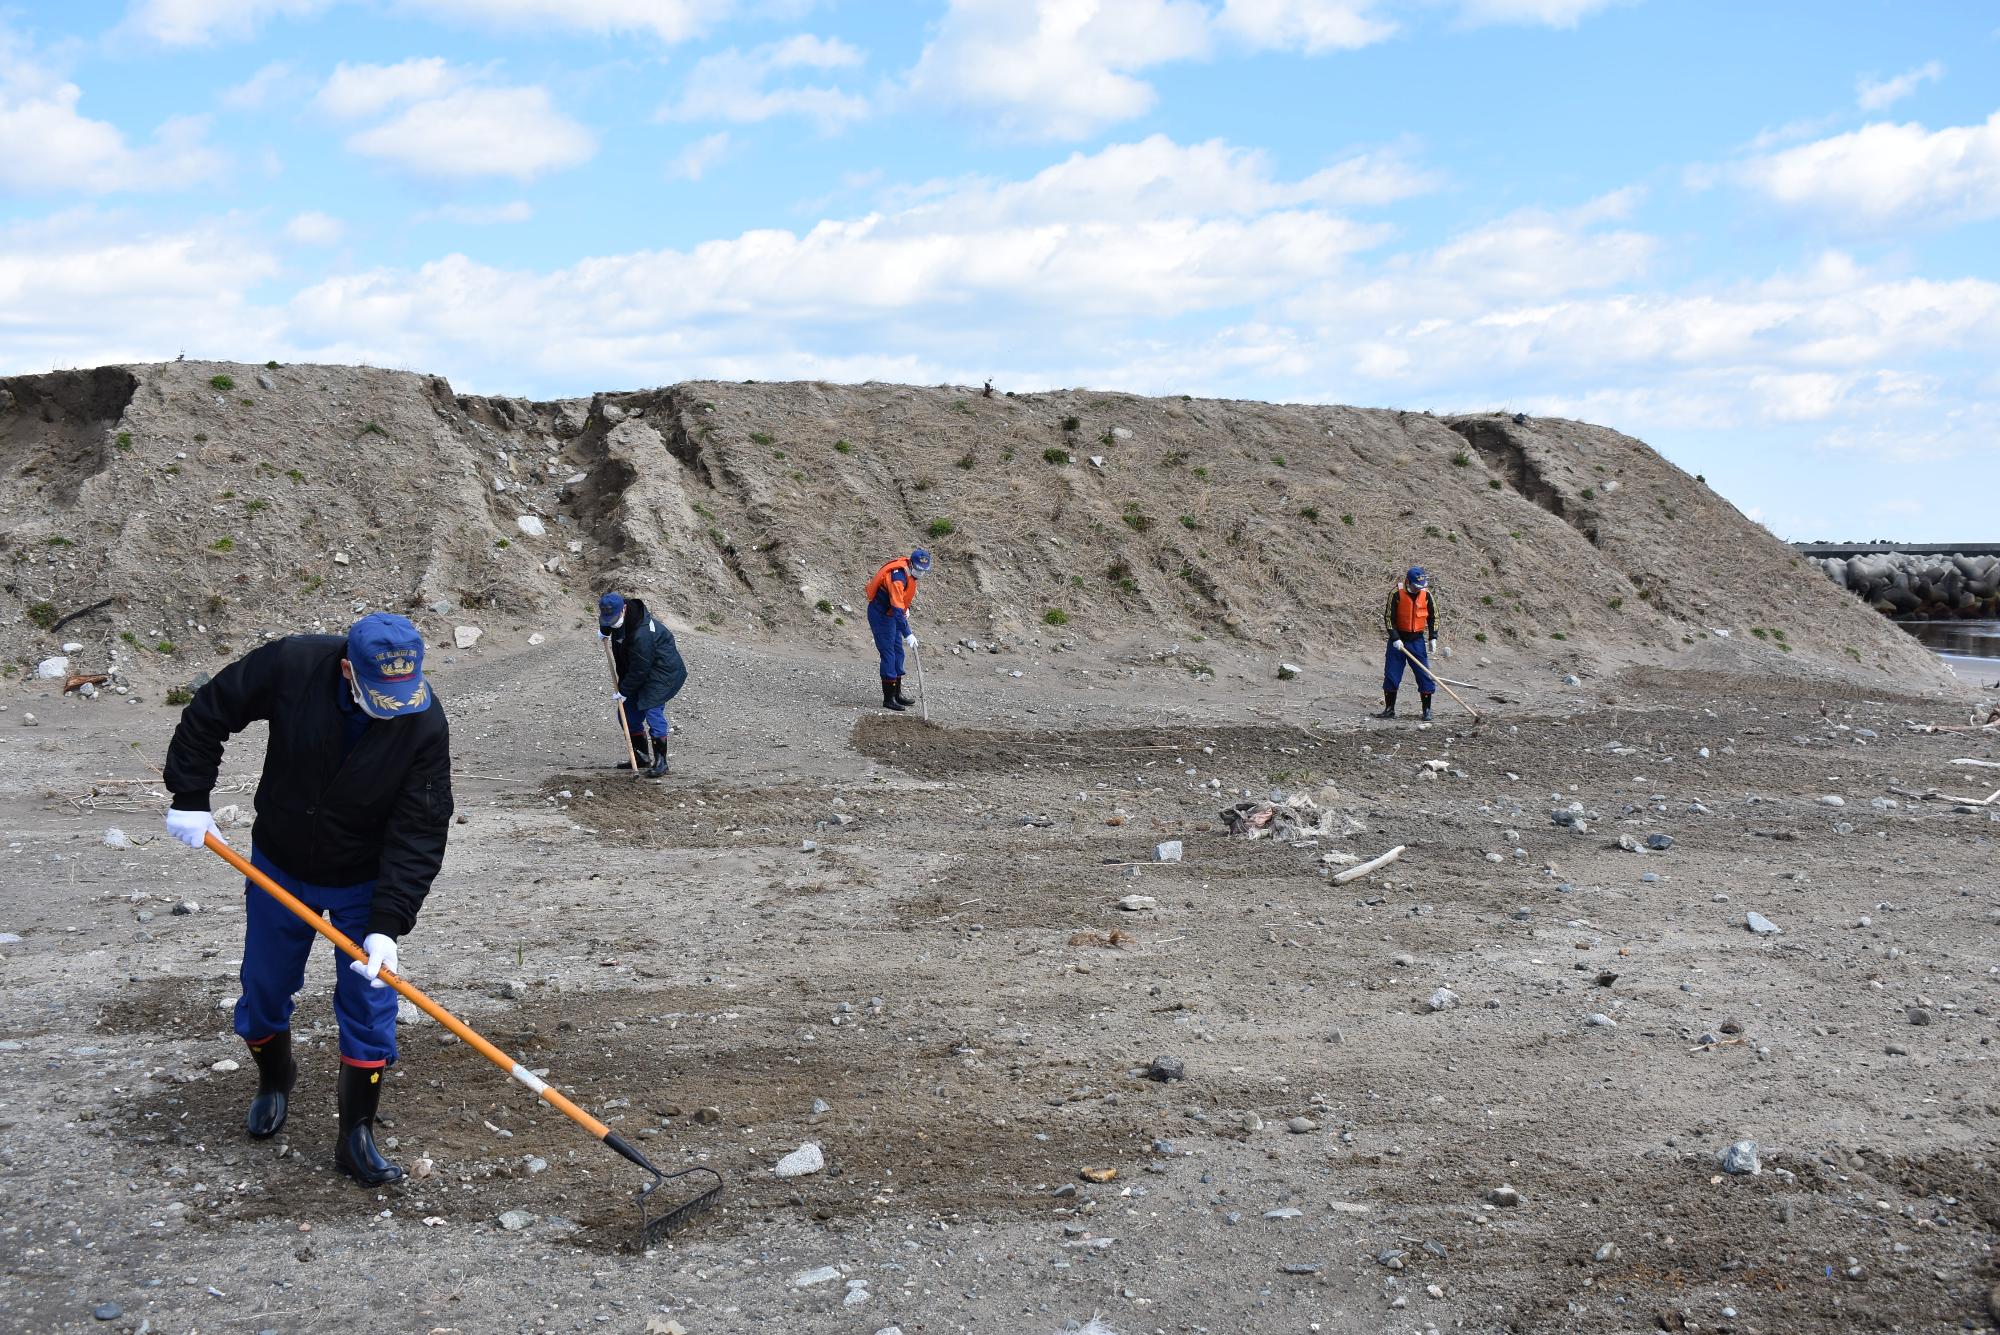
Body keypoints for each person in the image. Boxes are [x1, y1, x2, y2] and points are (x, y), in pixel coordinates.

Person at [161, 612, 452, 1187]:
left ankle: (355, 1135)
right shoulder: (293, 664)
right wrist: (191, 794)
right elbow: (210, 711)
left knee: (371, 1002)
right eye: (379, 696)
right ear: (348, 669)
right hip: (280, 862)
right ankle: (275, 1080)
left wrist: (386, 925)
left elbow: (420, 828)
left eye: (403, 695)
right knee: (264, 987)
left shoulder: (423, 722)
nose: (393, 709)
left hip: (363, 880)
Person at [599, 592, 686, 777]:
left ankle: (662, 762)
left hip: (661, 672)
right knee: (627, 715)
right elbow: (608, 620)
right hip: (637, 670)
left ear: (624, 608)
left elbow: (641, 668)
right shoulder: (617, 616)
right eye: (608, 618)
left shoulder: (642, 633)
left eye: (613, 619)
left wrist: (624, 690)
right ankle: (641, 757)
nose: (611, 622)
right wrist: (604, 629)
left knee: (652, 710)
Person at [865, 548, 931, 711]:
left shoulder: (910, 574)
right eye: (919, 569)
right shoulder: (897, 577)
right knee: (889, 654)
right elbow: (896, 607)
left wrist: (905, 609)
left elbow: (901, 603)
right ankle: (888, 698)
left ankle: (897, 693)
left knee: (898, 652)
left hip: (892, 614)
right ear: (911, 563)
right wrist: (908, 633)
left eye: (924, 570)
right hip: (880, 615)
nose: (921, 573)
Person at [1379, 565, 1442, 721]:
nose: (1417, 589)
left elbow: (1434, 617)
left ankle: (1427, 710)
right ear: (1408, 582)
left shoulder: (1426, 595)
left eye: (1420, 587)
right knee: (1391, 675)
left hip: (1417, 641)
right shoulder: (1396, 594)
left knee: (1424, 675)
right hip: (1398, 641)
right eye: (1415, 586)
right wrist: (1395, 638)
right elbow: (1388, 618)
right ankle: (1389, 709)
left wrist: (1433, 637)